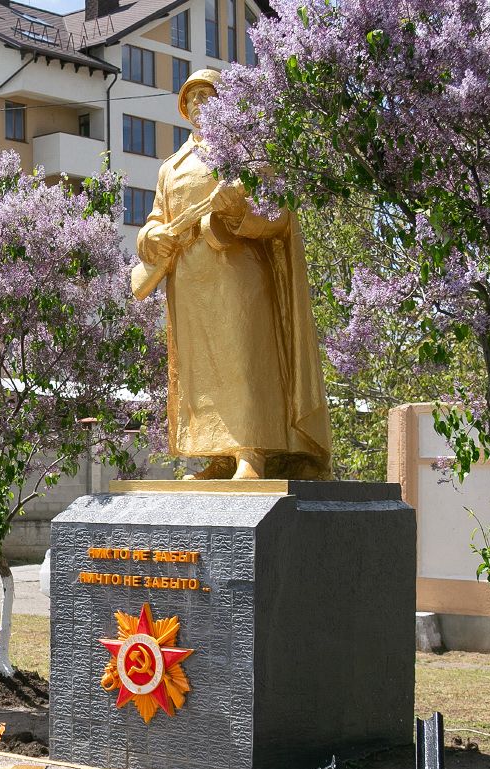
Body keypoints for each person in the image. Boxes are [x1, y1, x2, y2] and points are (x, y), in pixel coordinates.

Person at [134, 68, 332, 481]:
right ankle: (219, 456)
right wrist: (152, 236)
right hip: (189, 281)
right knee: (200, 370)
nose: (199, 103)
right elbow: (155, 219)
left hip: (239, 273)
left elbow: (280, 216)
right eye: (192, 98)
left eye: (207, 95)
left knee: (244, 357)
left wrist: (238, 212)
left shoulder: (248, 155)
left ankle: (251, 451)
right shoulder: (171, 167)